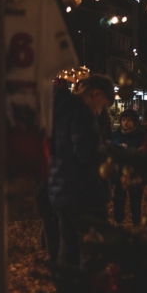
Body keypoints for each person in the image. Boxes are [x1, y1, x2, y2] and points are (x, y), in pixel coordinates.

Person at [48, 74, 114, 267]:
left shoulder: (59, 110)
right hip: (85, 193)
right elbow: (89, 153)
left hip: (61, 191)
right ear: (96, 93)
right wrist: (113, 153)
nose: (100, 112)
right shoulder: (82, 113)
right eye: (102, 105)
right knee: (93, 249)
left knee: (68, 247)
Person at [111, 109, 146, 226]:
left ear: (134, 122)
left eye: (129, 120)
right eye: (123, 120)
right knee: (118, 200)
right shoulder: (115, 136)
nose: (125, 123)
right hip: (118, 174)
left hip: (135, 174)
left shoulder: (140, 136)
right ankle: (119, 223)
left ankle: (136, 223)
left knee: (135, 201)